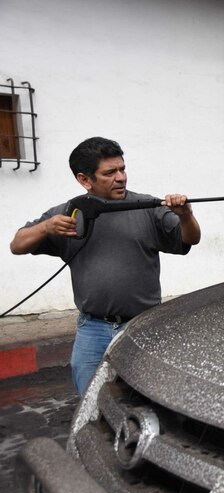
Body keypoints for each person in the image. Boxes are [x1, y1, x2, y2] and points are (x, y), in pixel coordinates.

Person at [9, 137, 201, 395]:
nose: (120, 177)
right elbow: (17, 244)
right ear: (85, 180)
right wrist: (46, 227)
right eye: (109, 172)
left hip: (141, 325)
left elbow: (190, 239)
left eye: (122, 169)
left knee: (148, 398)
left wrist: (186, 215)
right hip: (92, 329)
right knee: (90, 399)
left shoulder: (147, 207)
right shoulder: (69, 213)